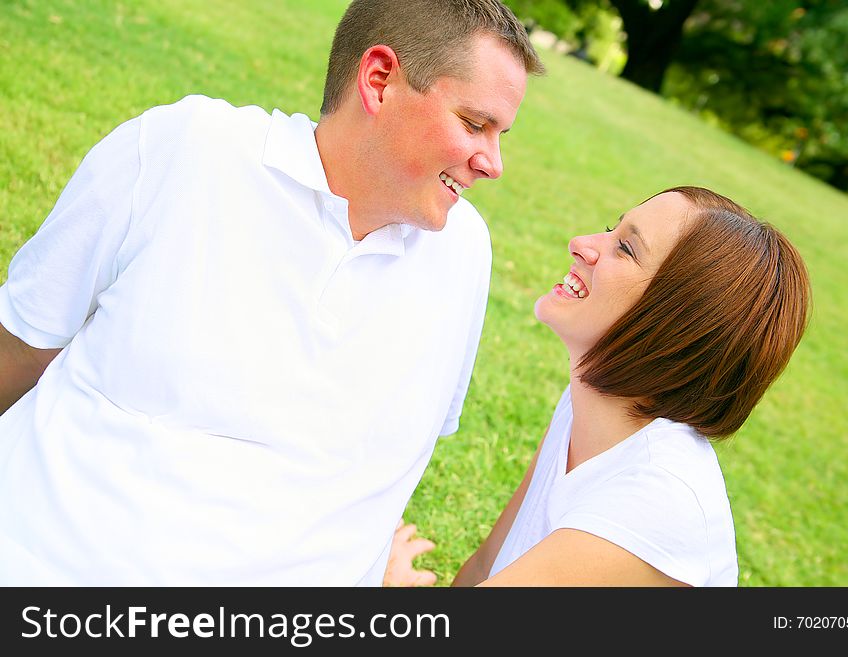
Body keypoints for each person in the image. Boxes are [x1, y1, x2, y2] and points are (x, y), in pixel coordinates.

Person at [0, 0, 543, 585]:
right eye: (474, 123)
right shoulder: (185, 149)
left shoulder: (462, 254)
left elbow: (371, 464)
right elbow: (21, 346)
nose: (494, 164)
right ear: (379, 80)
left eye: (500, 134)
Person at [398, 186, 809, 586]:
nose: (581, 244)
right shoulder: (588, 405)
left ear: (677, 325)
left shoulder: (657, 504)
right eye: (612, 229)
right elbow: (489, 565)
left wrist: (390, 576)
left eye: (626, 249)